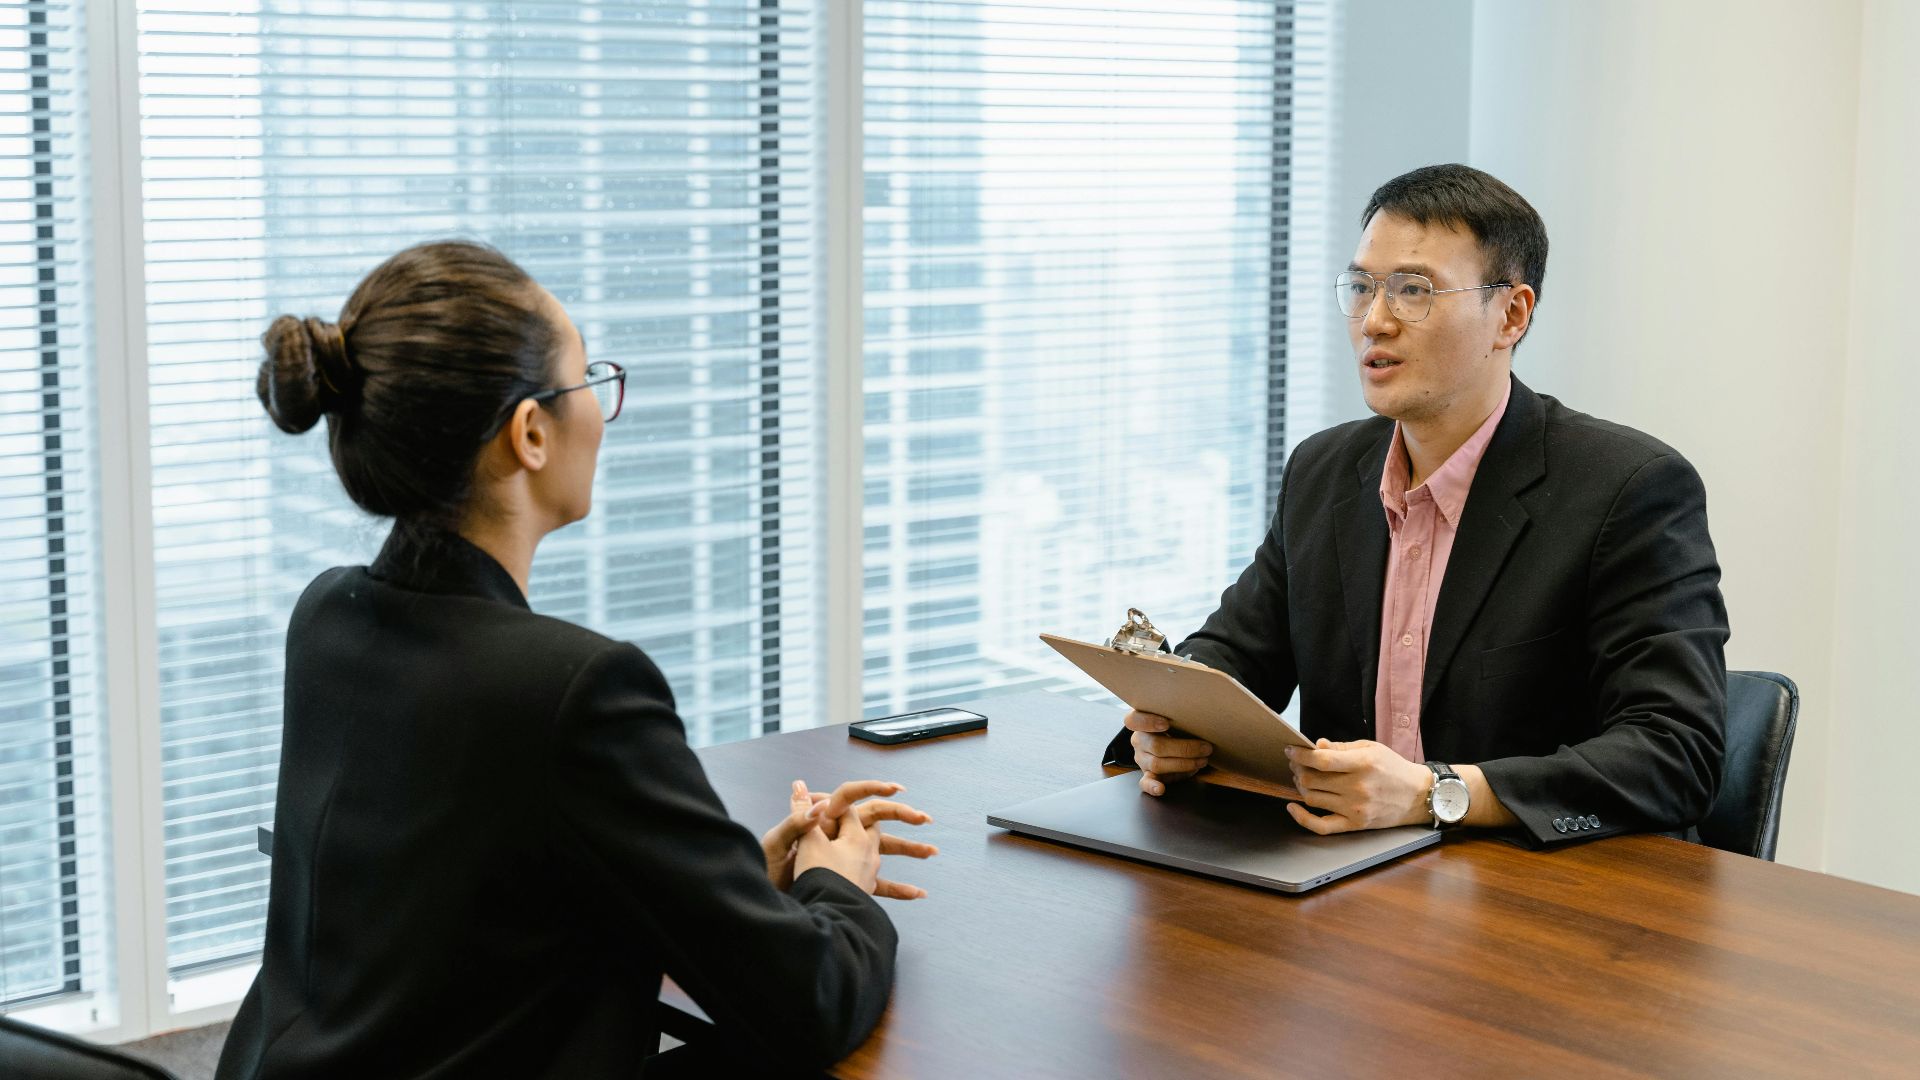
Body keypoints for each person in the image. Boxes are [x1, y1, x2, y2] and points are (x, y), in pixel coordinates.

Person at [216, 241, 933, 1079]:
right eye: (587, 378)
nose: (601, 405)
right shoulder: (573, 690)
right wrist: (835, 883)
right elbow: (811, 1003)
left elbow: (456, 907)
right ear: (530, 433)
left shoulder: (329, 615)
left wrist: (725, 891)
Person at [1107, 164, 1728, 846]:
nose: (1375, 321)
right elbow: (1236, 654)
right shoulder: (1324, 471)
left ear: (1511, 315)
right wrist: (1176, 725)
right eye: (1362, 288)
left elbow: (1676, 755)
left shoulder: (1628, 489)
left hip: (1536, 882)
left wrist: (1437, 794)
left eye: (1413, 291)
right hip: (1344, 869)